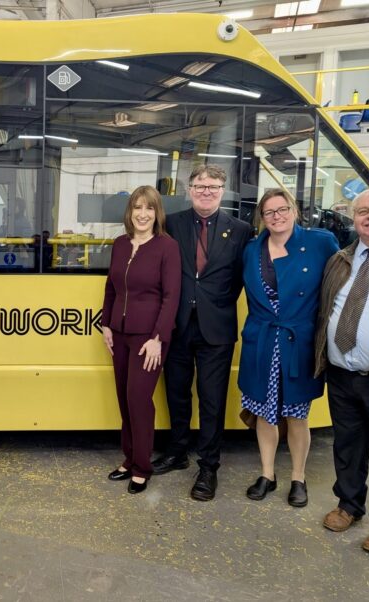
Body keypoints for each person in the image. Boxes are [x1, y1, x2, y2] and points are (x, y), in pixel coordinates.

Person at [153, 164, 252, 501]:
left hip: (217, 327)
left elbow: (239, 278)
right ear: (189, 189)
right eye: (199, 186)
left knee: (212, 400)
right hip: (177, 324)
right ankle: (177, 452)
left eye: (212, 187)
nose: (206, 191)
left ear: (223, 191)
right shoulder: (171, 223)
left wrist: (215, 302)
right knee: (177, 393)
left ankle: (209, 466)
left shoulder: (240, 230)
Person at [314, 188, 369, 555]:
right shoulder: (340, 259)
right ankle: (349, 505)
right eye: (363, 211)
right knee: (347, 446)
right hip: (342, 374)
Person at [239, 190, 338, 507]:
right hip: (262, 342)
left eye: (282, 209)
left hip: (298, 344)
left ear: (294, 210)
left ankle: (298, 477)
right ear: (262, 218)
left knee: (296, 415)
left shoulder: (321, 242)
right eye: (269, 212)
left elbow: (340, 282)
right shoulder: (251, 249)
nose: (277, 216)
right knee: (263, 413)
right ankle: (267, 474)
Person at [100, 186, 181, 494]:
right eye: (137, 207)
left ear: (157, 213)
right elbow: (111, 288)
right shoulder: (120, 244)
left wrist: (158, 337)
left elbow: (171, 296)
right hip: (119, 334)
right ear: (130, 212)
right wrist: (106, 324)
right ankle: (129, 458)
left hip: (149, 338)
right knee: (124, 398)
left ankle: (142, 468)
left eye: (149, 208)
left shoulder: (167, 247)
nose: (143, 214)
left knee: (138, 400)